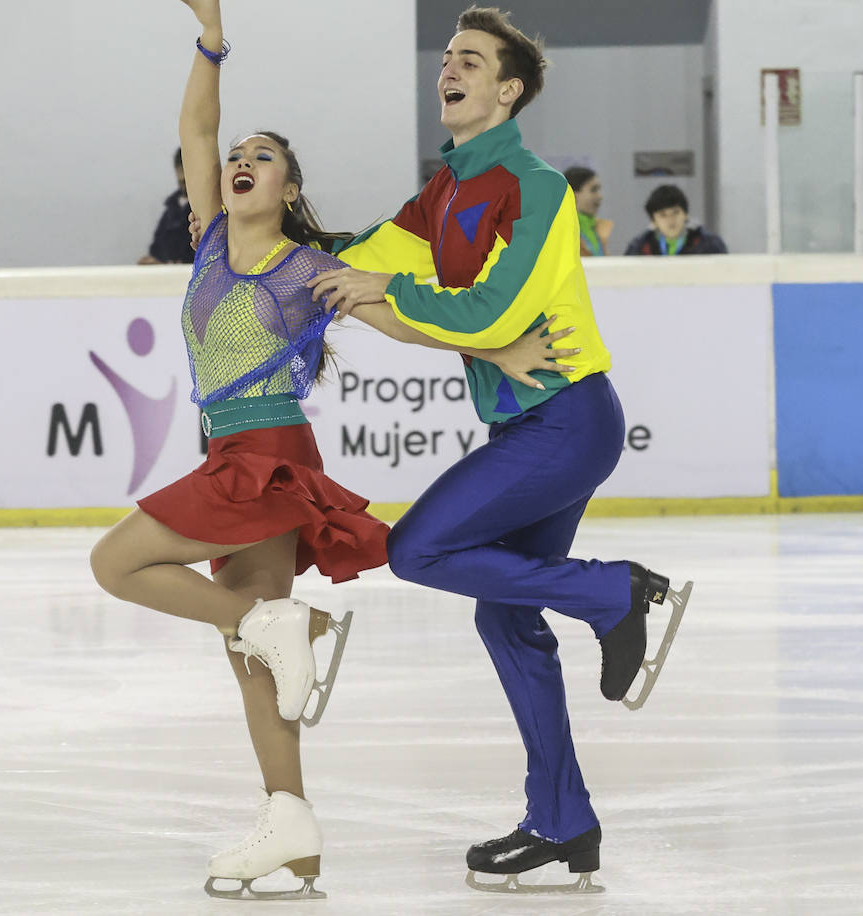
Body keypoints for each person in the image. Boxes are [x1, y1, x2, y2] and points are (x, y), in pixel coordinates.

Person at [92, 0, 566, 900]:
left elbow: (398, 317)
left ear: (290, 189)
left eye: (263, 156)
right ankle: (291, 826)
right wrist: (211, 40)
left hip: (267, 451)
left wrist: (499, 348)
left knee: (117, 563)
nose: (241, 160)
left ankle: (275, 626)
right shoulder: (207, 243)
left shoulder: (310, 269)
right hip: (232, 449)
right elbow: (197, 127)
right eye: (238, 155)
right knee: (252, 654)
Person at [305, 5, 694, 894]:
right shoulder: (442, 191)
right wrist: (277, 244)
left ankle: (613, 590)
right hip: (525, 425)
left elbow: (494, 311)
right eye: (448, 56)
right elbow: (363, 261)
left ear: (509, 90)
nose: (449, 68)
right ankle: (563, 822)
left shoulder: (536, 187)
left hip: (567, 419)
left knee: (418, 548)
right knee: (504, 616)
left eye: (471, 60)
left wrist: (383, 286)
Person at [623, 184, 728, 255]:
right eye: (663, 215)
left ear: (686, 215)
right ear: (654, 221)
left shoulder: (710, 245)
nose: (671, 220)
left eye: (676, 212)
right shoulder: (638, 247)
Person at [138, 147, 197, 265]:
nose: (182, 177)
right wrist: (156, 261)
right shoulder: (171, 206)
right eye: (180, 170)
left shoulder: (205, 207)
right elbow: (157, 246)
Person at [564, 166, 612, 256]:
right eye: (594, 190)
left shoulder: (599, 228)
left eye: (599, 190)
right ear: (573, 195)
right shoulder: (562, 230)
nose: (600, 196)